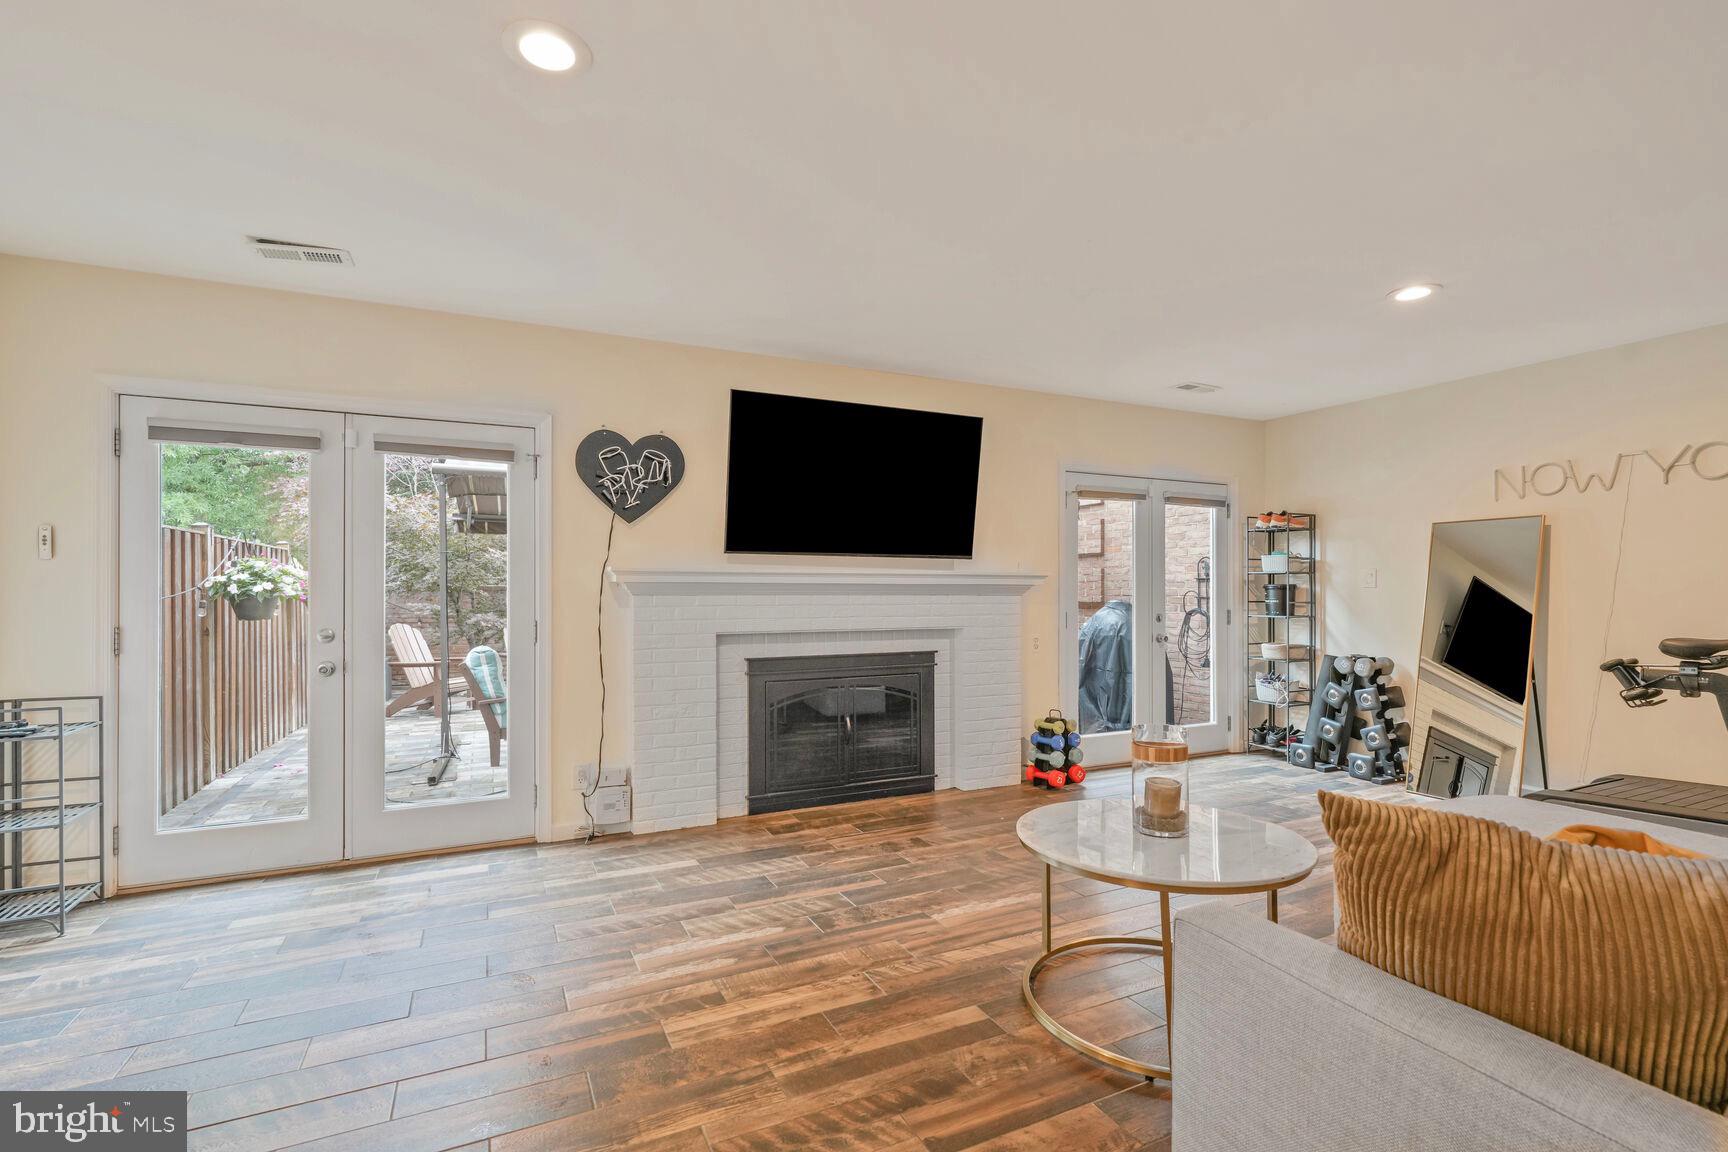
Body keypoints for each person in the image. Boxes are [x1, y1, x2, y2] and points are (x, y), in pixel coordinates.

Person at [1078, 599, 1133, 733]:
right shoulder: (1133, 621)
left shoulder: (1094, 620)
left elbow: (1081, 663)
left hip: (1095, 714)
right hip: (1126, 719)